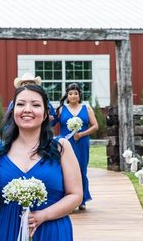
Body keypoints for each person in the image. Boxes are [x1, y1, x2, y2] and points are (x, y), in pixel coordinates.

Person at [0, 84, 82, 240]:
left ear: (46, 113)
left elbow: (75, 195)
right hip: (7, 230)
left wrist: (44, 215)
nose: (27, 109)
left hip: (51, 230)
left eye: (35, 105)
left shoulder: (61, 148)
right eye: (20, 104)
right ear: (13, 112)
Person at [56, 82, 99, 210]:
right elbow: (52, 122)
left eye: (75, 93)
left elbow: (95, 126)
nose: (73, 96)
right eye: (70, 93)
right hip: (65, 144)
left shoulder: (87, 108)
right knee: (65, 170)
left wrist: (81, 134)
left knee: (81, 170)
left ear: (79, 95)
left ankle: (82, 199)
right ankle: (66, 198)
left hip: (81, 144)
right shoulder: (62, 109)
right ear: (67, 95)